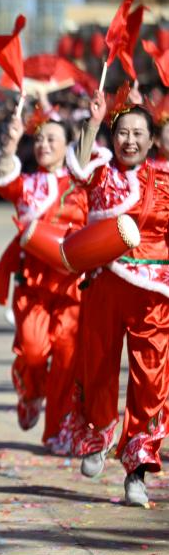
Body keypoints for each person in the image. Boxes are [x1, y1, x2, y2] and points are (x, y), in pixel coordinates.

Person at [66, 88, 169, 507]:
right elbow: (78, 166)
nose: (130, 140)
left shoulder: (164, 181)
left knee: (151, 381)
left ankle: (137, 467)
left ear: (152, 140)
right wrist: (93, 123)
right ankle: (98, 434)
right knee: (97, 368)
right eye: (123, 132)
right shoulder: (100, 173)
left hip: (153, 294)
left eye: (138, 133)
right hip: (105, 284)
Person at [0, 107, 93, 451]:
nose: (44, 145)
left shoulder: (84, 184)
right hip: (32, 282)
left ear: (69, 145)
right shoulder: (26, 184)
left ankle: (57, 430)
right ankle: (30, 393)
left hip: (72, 284)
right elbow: (4, 179)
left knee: (66, 358)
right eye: (40, 139)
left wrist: (93, 124)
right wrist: (10, 145)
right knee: (32, 351)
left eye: (52, 139)